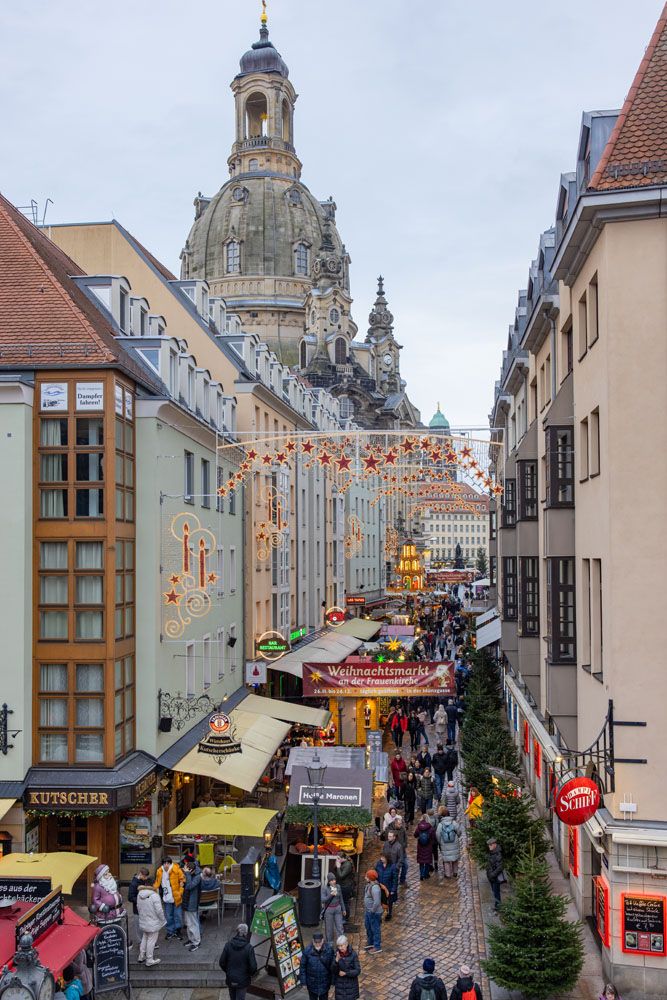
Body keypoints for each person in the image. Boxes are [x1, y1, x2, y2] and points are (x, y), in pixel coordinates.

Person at [219, 922, 258, 1000]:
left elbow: (221, 962)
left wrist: (228, 971)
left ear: (237, 931)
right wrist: (248, 975)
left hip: (231, 978)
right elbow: (253, 967)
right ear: (246, 933)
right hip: (243, 979)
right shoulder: (249, 948)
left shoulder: (228, 945)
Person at [154, 856, 185, 940]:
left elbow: (183, 881)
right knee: (168, 915)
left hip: (176, 897)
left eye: (168, 863)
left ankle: (178, 931)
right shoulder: (159, 871)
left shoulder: (177, 870)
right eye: (165, 863)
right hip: (166, 897)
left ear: (171, 863)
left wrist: (180, 893)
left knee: (177, 915)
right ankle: (170, 931)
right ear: (162, 864)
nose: (166, 865)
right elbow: (157, 883)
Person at [136, 880, 166, 966]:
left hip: (143, 920)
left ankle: (141, 956)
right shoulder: (155, 895)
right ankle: (149, 959)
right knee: (151, 940)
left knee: (145, 937)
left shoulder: (139, 894)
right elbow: (159, 911)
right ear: (153, 884)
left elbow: (138, 907)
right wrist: (163, 920)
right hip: (153, 922)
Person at [300, 931, 334, 1000]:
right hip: (312, 984)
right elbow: (302, 967)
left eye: (319, 942)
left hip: (324, 983)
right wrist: (304, 983)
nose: (318, 944)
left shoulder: (329, 950)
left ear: (323, 940)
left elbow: (332, 967)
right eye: (316, 942)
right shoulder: (307, 951)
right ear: (313, 941)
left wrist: (332, 981)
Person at [127, 867, 150, 947]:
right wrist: (141, 899)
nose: (146, 878)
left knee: (144, 925)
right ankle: (140, 942)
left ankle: (145, 941)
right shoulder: (133, 884)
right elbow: (130, 897)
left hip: (144, 907)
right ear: (140, 874)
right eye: (145, 876)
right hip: (137, 908)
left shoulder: (143, 881)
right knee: (138, 926)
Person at [332, 935, 361, 1000]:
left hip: (351, 986)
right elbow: (333, 970)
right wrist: (336, 961)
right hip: (340, 986)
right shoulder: (336, 954)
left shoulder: (353, 954)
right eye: (339, 946)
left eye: (342, 945)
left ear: (346, 944)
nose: (340, 948)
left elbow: (357, 970)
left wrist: (346, 973)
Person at [182, 860, 202, 951]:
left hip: (192, 903)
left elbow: (189, 886)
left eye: (187, 871)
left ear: (191, 870)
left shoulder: (198, 877)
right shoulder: (190, 874)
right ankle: (191, 939)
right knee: (188, 923)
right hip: (187, 901)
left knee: (193, 923)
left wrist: (187, 875)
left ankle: (196, 942)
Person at [436, 807, 461, 878]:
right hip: (454, 843)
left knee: (446, 860)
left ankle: (448, 874)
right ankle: (455, 872)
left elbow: (438, 834)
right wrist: (457, 837)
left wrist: (440, 842)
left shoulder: (440, 824)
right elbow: (459, 831)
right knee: (455, 858)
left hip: (444, 844)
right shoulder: (454, 822)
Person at [321, 873, 345, 943]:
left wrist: (343, 909)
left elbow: (341, 898)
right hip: (329, 910)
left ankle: (341, 942)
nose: (333, 881)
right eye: (331, 880)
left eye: (334, 880)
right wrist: (330, 895)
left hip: (337, 908)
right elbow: (323, 899)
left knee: (340, 927)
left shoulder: (338, 887)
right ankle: (330, 944)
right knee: (329, 929)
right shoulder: (325, 888)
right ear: (328, 881)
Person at [362, 870, 383, 953]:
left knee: (375, 929)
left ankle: (377, 946)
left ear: (370, 878)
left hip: (374, 912)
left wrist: (372, 911)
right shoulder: (369, 885)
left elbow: (377, 902)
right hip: (368, 911)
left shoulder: (375, 888)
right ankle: (371, 943)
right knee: (368, 926)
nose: (365, 877)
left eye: (366, 876)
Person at [375, 854, 398, 921]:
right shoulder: (379, 864)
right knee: (380, 901)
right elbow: (376, 874)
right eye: (381, 857)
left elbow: (395, 879)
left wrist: (393, 889)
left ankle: (389, 913)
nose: (381, 859)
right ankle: (381, 914)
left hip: (389, 888)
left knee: (389, 902)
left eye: (383, 858)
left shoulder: (392, 867)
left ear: (387, 859)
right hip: (380, 887)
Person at [414, 812, 436, 880]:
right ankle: (426, 874)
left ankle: (421, 875)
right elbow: (433, 837)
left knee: (421, 861)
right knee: (427, 861)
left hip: (420, 846)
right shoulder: (430, 827)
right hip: (428, 846)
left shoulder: (418, 827)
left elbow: (415, 835)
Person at [335, 851, 356, 923]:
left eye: (338, 858)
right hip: (342, 885)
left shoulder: (347, 865)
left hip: (346, 886)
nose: (337, 860)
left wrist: (338, 867)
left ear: (342, 858)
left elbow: (341, 876)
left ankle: (346, 918)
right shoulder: (342, 863)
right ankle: (342, 915)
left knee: (345, 902)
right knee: (342, 901)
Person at [486, 837, 504, 911]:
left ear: (494, 845)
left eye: (490, 845)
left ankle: (498, 907)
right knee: (494, 891)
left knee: (496, 892)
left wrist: (492, 875)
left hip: (495, 877)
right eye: (488, 845)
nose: (489, 847)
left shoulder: (498, 854)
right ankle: (497, 905)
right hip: (491, 876)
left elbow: (500, 867)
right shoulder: (492, 852)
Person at [393, 816, 409, 885]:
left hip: (403, 852)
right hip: (395, 853)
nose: (400, 825)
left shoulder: (403, 829)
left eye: (401, 824)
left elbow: (406, 838)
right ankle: (395, 881)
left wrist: (404, 845)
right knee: (396, 868)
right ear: (395, 824)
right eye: (399, 824)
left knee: (405, 866)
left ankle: (402, 880)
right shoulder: (392, 830)